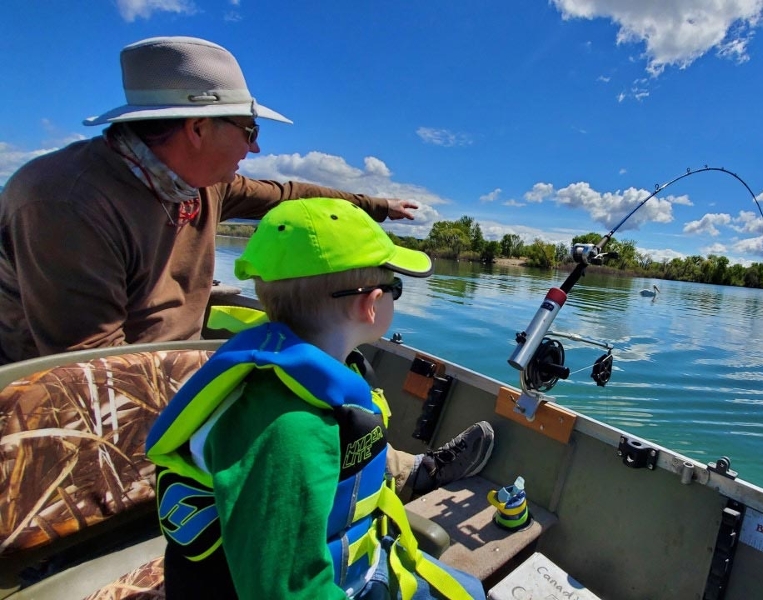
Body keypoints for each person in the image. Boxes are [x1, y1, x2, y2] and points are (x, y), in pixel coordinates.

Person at [0, 35, 490, 499]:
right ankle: (342, 486)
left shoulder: (204, 183)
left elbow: (291, 194)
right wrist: (235, 381)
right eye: (249, 131)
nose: (254, 148)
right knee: (289, 382)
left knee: (306, 355)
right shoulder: (64, 201)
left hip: (168, 361)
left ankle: (391, 470)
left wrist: (377, 206)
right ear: (197, 128)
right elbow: (94, 371)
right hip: (64, 406)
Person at [146, 198, 486, 599]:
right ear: (371, 304)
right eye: (396, 286)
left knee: (470, 589)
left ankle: (417, 475)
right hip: (334, 584)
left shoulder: (319, 380)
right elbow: (286, 590)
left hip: (354, 557)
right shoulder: (287, 432)